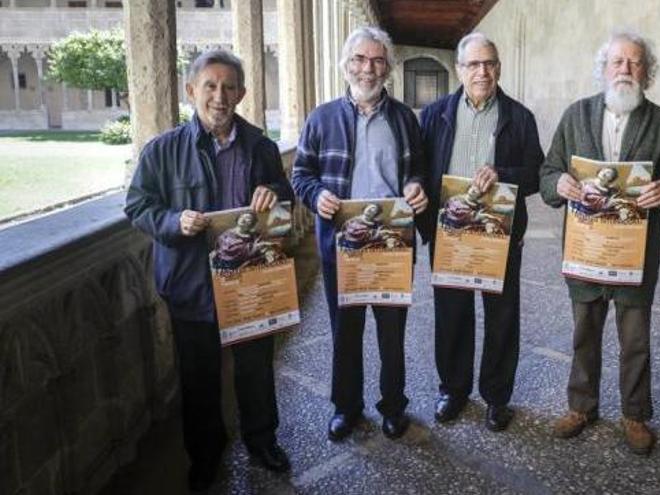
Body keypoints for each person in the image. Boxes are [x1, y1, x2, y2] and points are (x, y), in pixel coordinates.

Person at [124, 50, 294, 491]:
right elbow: (138, 205)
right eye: (210, 86)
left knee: (256, 368)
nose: (220, 96)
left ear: (241, 92)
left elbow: (286, 198)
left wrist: (273, 193)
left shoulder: (261, 146)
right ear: (191, 91)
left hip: (251, 278)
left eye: (229, 87)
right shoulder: (162, 151)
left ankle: (262, 440)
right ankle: (205, 453)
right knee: (199, 378)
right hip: (191, 285)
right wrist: (172, 222)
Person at [540, 30, 660, 455]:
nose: (625, 69)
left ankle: (635, 414)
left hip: (634, 255)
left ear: (647, 72)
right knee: (584, 333)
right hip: (586, 251)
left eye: (635, 62)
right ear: (603, 69)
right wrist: (560, 183)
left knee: (635, 339)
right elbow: (548, 172)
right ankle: (581, 406)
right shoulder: (575, 115)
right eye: (617, 62)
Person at [291, 27, 428, 442]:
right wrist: (317, 197)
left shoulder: (405, 119)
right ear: (346, 64)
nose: (368, 69)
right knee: (344, 332)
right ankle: (345, 407)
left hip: (391, 244)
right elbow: (301, 174)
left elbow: (418, 169)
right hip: (343, 246)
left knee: (391, 333)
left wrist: (415, 187)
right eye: (360, 60)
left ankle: (392, 406)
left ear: (387, 67)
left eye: (377, 60)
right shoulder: (321, 118)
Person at [418, 32, 544, 431]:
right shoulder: (435, 114)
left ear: (499, 67)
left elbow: (538, 174)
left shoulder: (519, 116)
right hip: (449, 233)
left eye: (489, 63)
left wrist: (503, 175)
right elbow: (421, 171)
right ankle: (453, 390)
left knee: (501, 317)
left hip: (499, 235)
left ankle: (496, 397)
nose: (482, 71)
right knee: (451, 315)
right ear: (459, 69)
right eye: (473, 64)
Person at [212, 211, 282, 270]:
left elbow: (262, 244)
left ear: (252, 223)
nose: (243, 219)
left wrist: (268, 251)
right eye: (242, 217)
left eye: (248, 218)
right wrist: (255, 247)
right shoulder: (227, 235)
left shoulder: (254, 235)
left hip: (251, 263)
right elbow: (228, 250)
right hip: (232, 264)